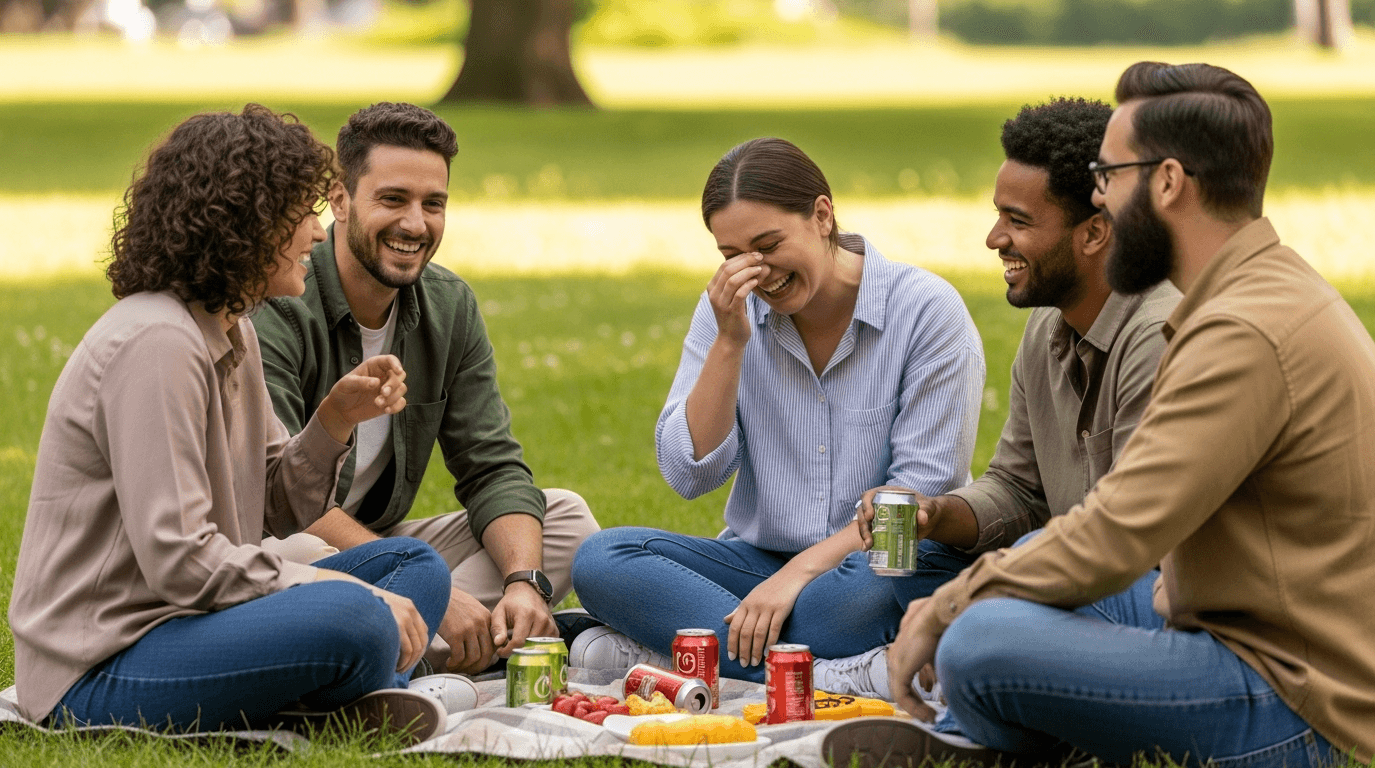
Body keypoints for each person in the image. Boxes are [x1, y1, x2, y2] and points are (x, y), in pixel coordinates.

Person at [824, 62, 1375, 768]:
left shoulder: (1242, 330)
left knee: (978, 643)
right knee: (1014, 577)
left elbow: (1118, 532)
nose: (1102, 203)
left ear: (1168, 182)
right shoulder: (1254, 291)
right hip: (1227, 630)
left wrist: (948, 605)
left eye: (1109, 177)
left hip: (1292, 700)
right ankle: (991, 737)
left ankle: (971, 739)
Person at [8, 104, 452, 741]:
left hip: (191, 621)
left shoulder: (229, 328)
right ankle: (362, 692)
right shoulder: (156, 343)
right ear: (245, 223)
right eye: (300, 213)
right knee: (355, 617)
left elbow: (273, 507)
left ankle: (344, 696)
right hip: (102, 664)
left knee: (414, 566)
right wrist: (330, 593)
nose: (318, 233)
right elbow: (181, 559)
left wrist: (331, 422)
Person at [569, 137, 985, 685]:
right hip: (757, 563)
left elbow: (914, 497)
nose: (756, 272)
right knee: (602, 559)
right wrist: (729, 345)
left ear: (821, 214)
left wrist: (796, 576)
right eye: (733, 256)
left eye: (769, 244)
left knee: (839, 611)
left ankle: (687, 653)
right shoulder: (728, 314)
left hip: (885, 565)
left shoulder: (927, 310)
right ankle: (822, 673)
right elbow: (690, 474)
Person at [844, 97, 1182, 699]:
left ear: (1094, 233)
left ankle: (978, 671)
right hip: (1062, 573)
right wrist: (935, 514)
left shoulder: (1158, 335)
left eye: (1018, 220)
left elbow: (1136, 543)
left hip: (1147, 596)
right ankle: (981, 668)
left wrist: (987, 587)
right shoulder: (1047, 329)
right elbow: (1018, 488)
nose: (994, 238)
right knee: (921, 560)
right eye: (998, 215)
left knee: (999, 579)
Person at [253, 102, 600, 677]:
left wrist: (524, 583)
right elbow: (282, 499)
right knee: (306, 554)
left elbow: (492, 468)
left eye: (432, 204)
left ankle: (413, 651)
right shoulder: (283, 298)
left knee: (565, 521)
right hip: (288, 548)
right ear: (339, 200)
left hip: (383, 542)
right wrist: (433, 593)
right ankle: (424, 644)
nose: (416, 224)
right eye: (393, 200)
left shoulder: (448, 305)